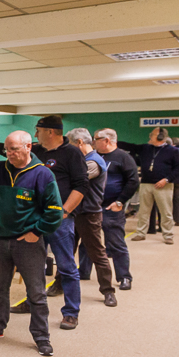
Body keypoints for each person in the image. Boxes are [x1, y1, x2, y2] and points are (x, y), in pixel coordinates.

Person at [0, 115, 88, 330]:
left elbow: (81, 185)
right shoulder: (35, 150)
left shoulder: (71, 153)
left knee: (66, 266)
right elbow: (3, 149)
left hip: (58, 219)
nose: (36, 131)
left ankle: (71, 312)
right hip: (31, 220)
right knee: (34, 269)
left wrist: (64, 211)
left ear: (49, 131)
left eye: (38, 129)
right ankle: (31, 302)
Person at [0, 131, 64, 356]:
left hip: (28, 242)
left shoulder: (42, 175)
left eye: (15, 149)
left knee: (36, 293)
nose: (10, 154)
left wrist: (36, 232)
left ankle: (41, 336)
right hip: (1, 240)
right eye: (8, 149)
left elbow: (55, 212)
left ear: (29, 147)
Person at [66, 128, 117, 308]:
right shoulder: (82, 160)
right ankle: (58, 284)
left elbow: (75, 181)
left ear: (79, 142)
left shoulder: (94, 162)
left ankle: (108, 291)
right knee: (65, 251)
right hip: (73, 213)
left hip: (89, 214)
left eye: (70, 145)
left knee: (97, 253)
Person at [86, 128, 139, 290]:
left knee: (116, 243)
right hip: (91, 206)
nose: (93, 142)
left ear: (107, 140)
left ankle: (124, 277)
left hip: (111, 207)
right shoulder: (93, 157)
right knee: (87, 242)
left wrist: (120, 202)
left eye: (96, 139)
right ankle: (83, 272)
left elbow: (133, 181)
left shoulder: (123, 157)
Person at [118, 127, 179, 244]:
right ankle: (141, 233)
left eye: (152, 134)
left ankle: (168, 235)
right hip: (146, 184)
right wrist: (113, 141)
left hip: (164, 185)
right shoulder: (146, 148)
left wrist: (167, 180)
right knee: (143, 211)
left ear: (160, 137)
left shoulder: (173, 151)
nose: (150, 136)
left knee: (166, 211)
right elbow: (131, 146)